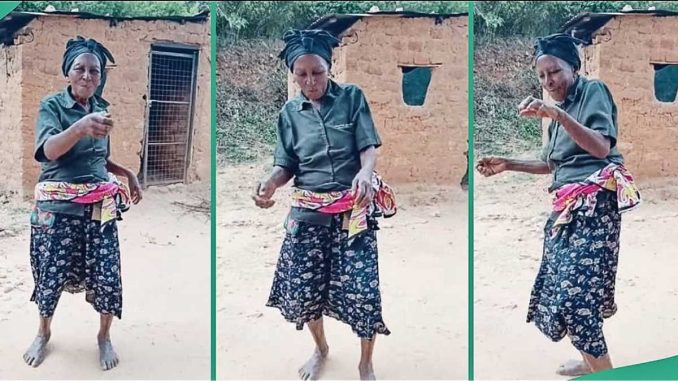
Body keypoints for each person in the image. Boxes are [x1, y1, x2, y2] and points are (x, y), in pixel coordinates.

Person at [476, 33, 641, 377]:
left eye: (555, 71)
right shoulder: (558, 112)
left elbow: (599, 147)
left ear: (574, 68)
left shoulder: (592, 92)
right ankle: (587, 362)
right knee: (562, 292)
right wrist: (508, 163)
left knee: (578, 300)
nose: (548, 81)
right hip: (565, 211)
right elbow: (552, 163)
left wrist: (556, 115)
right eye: (541, 76)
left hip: (595, 208)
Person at [252, 29, 396, 381]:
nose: (310, 80)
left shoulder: (352, 98)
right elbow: (286, 164)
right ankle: (321, 349)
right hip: (308, 210)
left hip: (353, 210)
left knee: (362, 291)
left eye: (317, 72)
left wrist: (365, 173)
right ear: (293, 74)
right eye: (301, 74)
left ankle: (365, 362)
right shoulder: (289, 114)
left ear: (329, 67)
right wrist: (269, 184)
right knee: (305, 289)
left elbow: (368, 147)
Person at [23, 36, 142, 371]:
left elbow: (100, 161)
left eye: (95, 70)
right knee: (51, 274)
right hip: (58, 208)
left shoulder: (100, 112)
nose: (88, 75)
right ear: (68, 73)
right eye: (81, 69)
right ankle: (43, 333)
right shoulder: (52, 107)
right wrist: (78, 128)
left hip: (100, 204)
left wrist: (127, 172)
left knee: (107, 273)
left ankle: (104, 337)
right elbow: (48, 152)